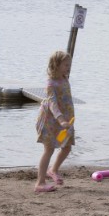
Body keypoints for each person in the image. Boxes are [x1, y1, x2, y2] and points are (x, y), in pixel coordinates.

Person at [34, 50, 75, 193]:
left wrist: (67, 119)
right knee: (49, 149)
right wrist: (61, 119)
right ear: (56, 65)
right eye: (65, 65)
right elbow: (52, 103)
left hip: (66, 120)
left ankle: (53, 170)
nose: (68, 67)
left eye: (69, 65)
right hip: (51, 120)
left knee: (67, 146)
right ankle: (40, 182)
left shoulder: (64, 77)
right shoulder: (51, 83)